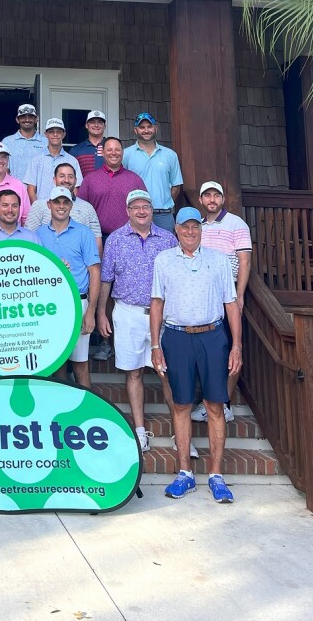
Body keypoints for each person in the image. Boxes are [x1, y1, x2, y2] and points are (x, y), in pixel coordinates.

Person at [150, 207, 242, 504]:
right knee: (181, 405)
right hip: (176, 337)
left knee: (215, 405)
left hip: (213, 336)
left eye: (195, 227)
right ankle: (185, 474)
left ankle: (216, 475)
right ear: (176, 229)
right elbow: (156, 304)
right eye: (184, 227)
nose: (190, 232)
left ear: (201, 229)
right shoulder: (163, 260)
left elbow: (231, 304)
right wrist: (155, 345)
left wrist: (236, 345)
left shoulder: (217, 261)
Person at [98, 189, 179, 454]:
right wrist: (101, 313)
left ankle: (180, 433)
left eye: (146, 206)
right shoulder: (116, 240)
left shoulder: (167, 239)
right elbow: (106, 279)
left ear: (152, 210)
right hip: (128, 312)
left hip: (162, 315)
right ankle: (140, 431)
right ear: (127, 211)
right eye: (136, 207)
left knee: (167, 373)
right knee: (133, 372)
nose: (141, 211)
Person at [193, 181, 252, 423]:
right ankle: (209, 403)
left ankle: (224, 403)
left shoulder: (236, 223)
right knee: (208, 352)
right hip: (202, 298)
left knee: (229, 350)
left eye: (216, 195)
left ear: (223, 198)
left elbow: (245, 261)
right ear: (201, 200)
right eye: (207, 195)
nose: (212, 199)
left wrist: (239, 296)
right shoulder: (197, 227)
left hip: (227, 297)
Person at [36, 189, 100, 389]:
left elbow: (95, 272)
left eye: (66, 202)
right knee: (56, 364)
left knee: (80, 365)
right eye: (57, 202)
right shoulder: (38, 234)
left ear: (71, 205)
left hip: (77, 302)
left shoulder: (84, 232)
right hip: (46, 305)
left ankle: (87, 414)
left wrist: (90, 311)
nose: (61, 206)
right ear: (49, 204)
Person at [77, 137, 147, 242]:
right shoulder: (90, 179)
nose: (113, 153)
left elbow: (146, 209)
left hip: (130, 238)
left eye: (117, 150)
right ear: (103, 153)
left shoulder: (135, 179)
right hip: (98, 238)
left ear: (122, 153)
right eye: (109, 150)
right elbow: (80, 209)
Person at [122, 112, 183, 233]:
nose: (146, 130)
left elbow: (176, 185)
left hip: (163, 215)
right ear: (135, 130)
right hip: (136, 214)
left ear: (156, 128)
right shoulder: (125, 154)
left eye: (149, 127)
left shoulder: (170, 155)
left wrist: (164, 202)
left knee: (166, 250)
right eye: (142, 127)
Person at [25, 161, 102, 253]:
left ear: (76, 180)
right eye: (62, 176)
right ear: (54, 179)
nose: (66, 180)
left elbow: (96, 242)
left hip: (78, 265)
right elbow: (29, 238)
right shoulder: (39, 205)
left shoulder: (88, 208)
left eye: (70, 177)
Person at [24, 118, 82, 203]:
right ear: (46, 134)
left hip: (64, 210)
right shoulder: (36, 160)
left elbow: (75, 188)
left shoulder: (72, 161)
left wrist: (71, 207)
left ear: (64, 134)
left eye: (59, 132)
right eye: (51, 132)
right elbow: (31, 188)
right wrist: (37, 208)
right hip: (42, 210)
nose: (55, 134)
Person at [0, 141, 31, 223]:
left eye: (4, 157)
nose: (0, 161)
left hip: (13, 234)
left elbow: (26, 218)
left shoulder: (18, 185)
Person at [1, 103, 47, 183]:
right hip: (14, 192)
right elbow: (4, 170)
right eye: (23, 117)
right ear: (17, 119)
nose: (27, 120)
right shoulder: (7, 142)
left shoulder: (45, 142)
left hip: (38, 193)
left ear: (36, 119)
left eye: (30, 117)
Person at [70, 110, 108, 177]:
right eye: (92, 122)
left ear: (104, 126)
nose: (96, 125)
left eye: (100, 122)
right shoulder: (76, 150)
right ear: (87, 125)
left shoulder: (111, 148)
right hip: (84, 187)